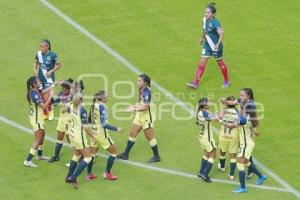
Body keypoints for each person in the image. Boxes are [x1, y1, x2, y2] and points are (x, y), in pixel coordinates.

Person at [228, 88, 267, 193]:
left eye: (242, 96)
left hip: (246, 144)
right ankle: (261, 176)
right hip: (247, 142)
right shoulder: (247, 116)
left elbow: (231, 125)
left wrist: (222, 121)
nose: (240, 98)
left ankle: (243, 188)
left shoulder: (244, 119)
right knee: (246, 162)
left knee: (240, 163)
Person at [117, 74, 161, 163]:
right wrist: (133, 106)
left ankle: (157, 156)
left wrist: (132, 109)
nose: (137, 82)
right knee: (133, 133)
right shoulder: (141, 89)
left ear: (145, 83)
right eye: (137, 80)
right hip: (140, 115)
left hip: (147, 116)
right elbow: (141, 103)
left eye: (139, 81)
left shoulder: (146, 92)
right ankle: (125, 154)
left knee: (149, 136)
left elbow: (145, 108)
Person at [185, 2, 230, 89]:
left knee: (220, 64)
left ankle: (226, 81)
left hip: (216, 47)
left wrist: (218, 43)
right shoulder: (204, 20)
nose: (206, 14)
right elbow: (204, 30)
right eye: (205, 12)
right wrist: (202, 38)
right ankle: (195, 83)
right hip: (207, 46)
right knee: (201, 64)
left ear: (213, 14)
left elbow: (221, 35)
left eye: (208, 13)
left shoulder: (216, 23)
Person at [87, 90, 123, 180]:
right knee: (114, 152)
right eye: (106, 96)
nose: (108, 98)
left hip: (93, 133)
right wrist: (117, 129)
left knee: (92, 154)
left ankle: (89, 174)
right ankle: (107, 173)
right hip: (101, 134)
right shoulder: (102, 107)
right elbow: (104, 124)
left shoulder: (93, 104)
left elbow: (89, 120)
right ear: (102, 98)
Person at [64, 93, 97, 189]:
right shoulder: (82, 110)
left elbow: (64, 110)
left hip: (72, 134)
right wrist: (93, 136)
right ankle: (73, 178)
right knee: (88, 158)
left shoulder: (71, 106)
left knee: (76, 155)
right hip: (79, 137)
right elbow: (86, 127)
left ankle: (68, 177)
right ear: (82, 100)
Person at [24, 76, 53, 167]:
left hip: (36, 118)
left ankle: (40, 155)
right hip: (37, 120)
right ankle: (28, 160)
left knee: (42, 134)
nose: (40, 82)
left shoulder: (34, 92)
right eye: (38, 81)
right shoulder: (34, 95)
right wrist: (50, 97)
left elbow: (43, 91)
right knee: (38, 139)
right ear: (33, 84)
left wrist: (54, 85)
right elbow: (44, 106)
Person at [33, 39, 61, 120]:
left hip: (49, 78)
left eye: (42, 47)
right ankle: (45, 112)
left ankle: (51, 111)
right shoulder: (38, 54)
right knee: (41, 95)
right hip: (40, 78)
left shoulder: (53, 55)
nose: (40, 48)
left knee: (47, 96)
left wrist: (51, 71)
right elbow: (35, 64)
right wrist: (34, 70)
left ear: (47, 47)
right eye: (40, 46)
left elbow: (59, 65)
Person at [48, 79, 74, 163]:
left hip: (70, 120)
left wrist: (67, 109)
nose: (64, 91)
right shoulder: (61, 93)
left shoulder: (73, 96)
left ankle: (77, 157)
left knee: (70, 139)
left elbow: (76, 108)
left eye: (65, 90)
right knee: (59, 136)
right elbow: (56, 102)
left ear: (70, 89)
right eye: (62, 89)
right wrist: (50, 100)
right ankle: (56, 156)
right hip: (62, 118)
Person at [196, 98, 219, 183]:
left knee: (206, 154)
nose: (210, 103)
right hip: (208, 138)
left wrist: (215, 114)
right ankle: (205, 175)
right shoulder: (205, 113)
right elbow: (216, 119)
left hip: (201, 137)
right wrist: (218, 114)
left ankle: (201, 172)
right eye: (208, 102)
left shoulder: (200, 112)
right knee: (213, 155)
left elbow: (212, 116)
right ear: (204, 105)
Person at [218, 96, 241, 180]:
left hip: (223, 135)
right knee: (233, 155)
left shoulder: (223, 111)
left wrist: (222, 104)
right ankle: (231, 175)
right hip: (234, 136)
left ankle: (222, 166)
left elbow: (219, 117)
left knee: (222, 151)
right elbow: (240, 119)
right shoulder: (237, 111)